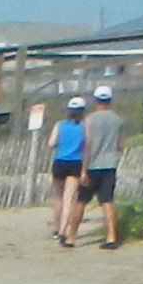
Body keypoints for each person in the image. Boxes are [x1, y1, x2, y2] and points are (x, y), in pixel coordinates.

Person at [76, 84, 124, 250]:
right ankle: (111, 236)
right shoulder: (117, 120)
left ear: (96, 100)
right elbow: (120, 144)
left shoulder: (89, 120)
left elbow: (86, 146)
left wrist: (83, 169)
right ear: (109, 100)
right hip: (110, 164)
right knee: (107, 201)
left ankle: (71, 236)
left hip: (92, 165)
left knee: (81, 201)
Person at [46, 99, 87, 246]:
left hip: (60, 162)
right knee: (69, 199)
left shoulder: (60, 124)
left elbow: (51, 143)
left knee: (58, 198)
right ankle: (63, 230)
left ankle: (56, 229)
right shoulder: (84, 126)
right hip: (76, 163)